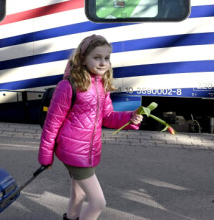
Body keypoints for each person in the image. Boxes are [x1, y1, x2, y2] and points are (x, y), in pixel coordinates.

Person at [38, 34, 143, 220]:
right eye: (97, 57)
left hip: (88, 150)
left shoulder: (102, 85)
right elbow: (51, 124)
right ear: (82, 58)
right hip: (73, 151)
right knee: (98, 202)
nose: (103, 62)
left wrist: (130, 118)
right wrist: (46, 157)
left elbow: (108, 117)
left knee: (78, 194)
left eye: (106, 58)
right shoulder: (68, 86)